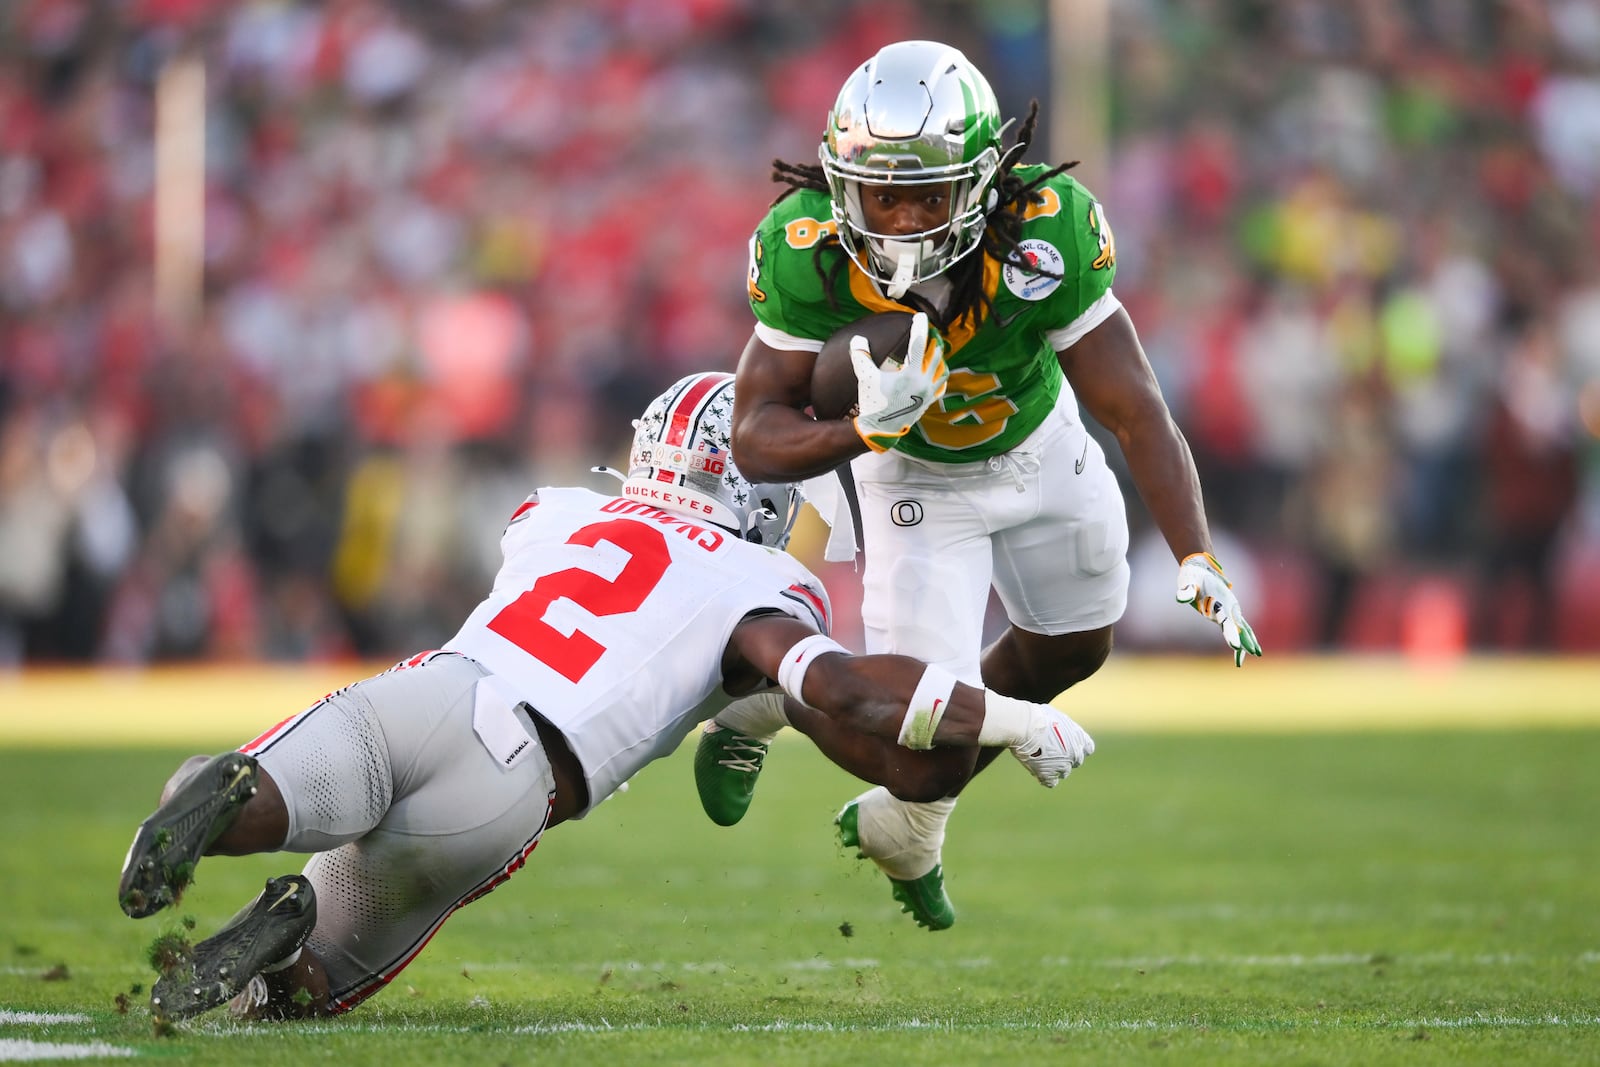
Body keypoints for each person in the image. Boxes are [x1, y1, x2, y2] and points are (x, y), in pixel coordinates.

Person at [115, 371, 1094, 1024]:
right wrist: (1010, 714)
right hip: (512, 787)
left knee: (243, 783)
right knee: (317, 985)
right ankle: (289, 948)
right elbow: (838, 690)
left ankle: (208, 806)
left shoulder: (558, 514)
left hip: (434, 693)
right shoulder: (761, 585)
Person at [695, 39, 1261, 932]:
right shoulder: (807, 247)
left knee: (1076, 646)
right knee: (920, 761)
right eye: (882, 192)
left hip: (1039, 445)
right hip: (913, 477)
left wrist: (1194, 550)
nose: (902, 217)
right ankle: (773, 699)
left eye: (927, 191)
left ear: (985, 180)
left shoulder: (1048, 227)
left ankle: (915, 807)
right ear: (843, 181)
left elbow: (1135, 406)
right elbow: (757, 437)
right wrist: (862, 430)